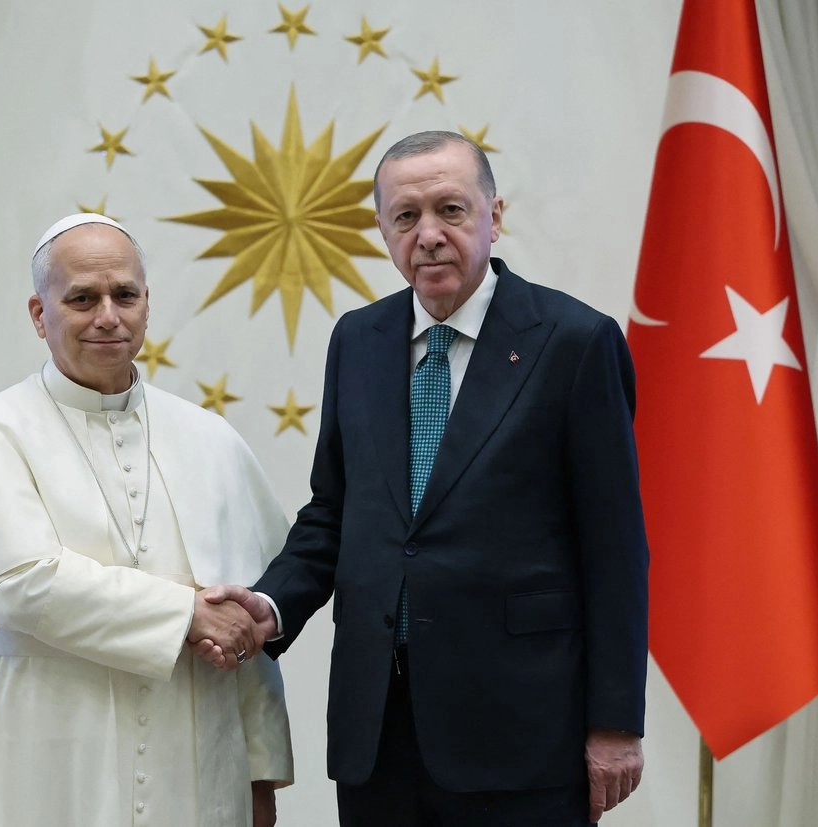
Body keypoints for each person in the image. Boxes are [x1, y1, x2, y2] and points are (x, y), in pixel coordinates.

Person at [202, 131, 649, 826]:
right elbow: (333, 512)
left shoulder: (574, 342)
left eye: (451, 210)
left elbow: (616, 547)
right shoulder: (357, 339)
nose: (430, 235)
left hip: (522, 732)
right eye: (406, 217)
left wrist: (616, 721)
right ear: (383, 229)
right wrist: (271, 605)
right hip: (379, 728)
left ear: (494, 216)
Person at [0, 214, 293, 827]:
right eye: (82, 298)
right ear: (38, 313)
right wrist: (186, 611)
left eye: (124, 295)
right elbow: (21, 585)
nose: (107, 315)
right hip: (46, 761)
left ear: (145, 304)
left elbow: (246, 626)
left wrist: (263, 772)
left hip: (199, 767)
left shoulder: (213, 442)